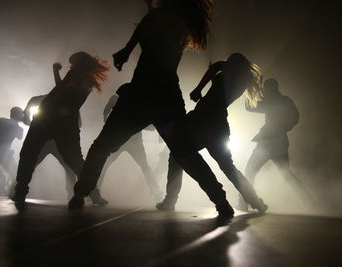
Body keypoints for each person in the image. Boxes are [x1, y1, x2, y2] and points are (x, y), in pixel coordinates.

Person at [69, 0, 235, 217]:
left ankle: (80, 193)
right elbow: (150, 23)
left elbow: (149, 23)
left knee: (102, 145)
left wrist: (127, 49)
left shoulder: (162, 17)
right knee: (185, 152)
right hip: (165, 97)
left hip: (141, 94)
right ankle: (220, 200)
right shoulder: (178, 21)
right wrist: (127, 49)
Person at [155, 53, 268, 213]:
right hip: (218, 125)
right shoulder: (243, 80)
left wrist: (198, 89)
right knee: (228, 167)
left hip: (202, 120)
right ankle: (256, 201)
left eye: (229, 61)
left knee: (177, 155)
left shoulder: (228, 72)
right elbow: (218, 67)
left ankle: (170, 200)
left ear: (233, 63)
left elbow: (216, 66)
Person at [12, 51, 109, 203]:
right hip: (63, 122)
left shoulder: (77, 75)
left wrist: (45, 104)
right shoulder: (86, 80)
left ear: (79, 64)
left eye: (73, 64)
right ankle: (93, 194)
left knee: (29, 154)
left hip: (50, 120)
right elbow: (63, 88)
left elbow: (59, 89)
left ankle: (20, 191)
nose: (70, 67)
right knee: (74, 160)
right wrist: (55, 73)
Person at [237, 78, 303, 211]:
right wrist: (285, 128)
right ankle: (310, 200)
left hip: (266, 143)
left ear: (269, 89)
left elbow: (249, 107)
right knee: (287, 174)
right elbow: (296, 117)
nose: (264, 91)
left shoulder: (270, 101)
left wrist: (248, 90)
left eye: (264, 89)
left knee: (250, 171)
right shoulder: (285, 100)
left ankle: (243, 204)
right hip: (279, 141)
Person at [97, 85, 162, 203]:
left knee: (105, 164)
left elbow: (106, 111)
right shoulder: (140, 103)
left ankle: (95, 190)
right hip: (130, 140)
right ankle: (156, 192)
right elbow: (151, 127)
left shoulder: (119, 99)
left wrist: (109, 121)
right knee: (144, 167)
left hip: (122, 139)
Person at [0, 107, 24, 186]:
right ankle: (17, 190)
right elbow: (20, 137)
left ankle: (17, 190)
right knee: (15, 173)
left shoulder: (3, 120)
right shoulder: (19, 128)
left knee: (14, 172)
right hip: (2, 152)